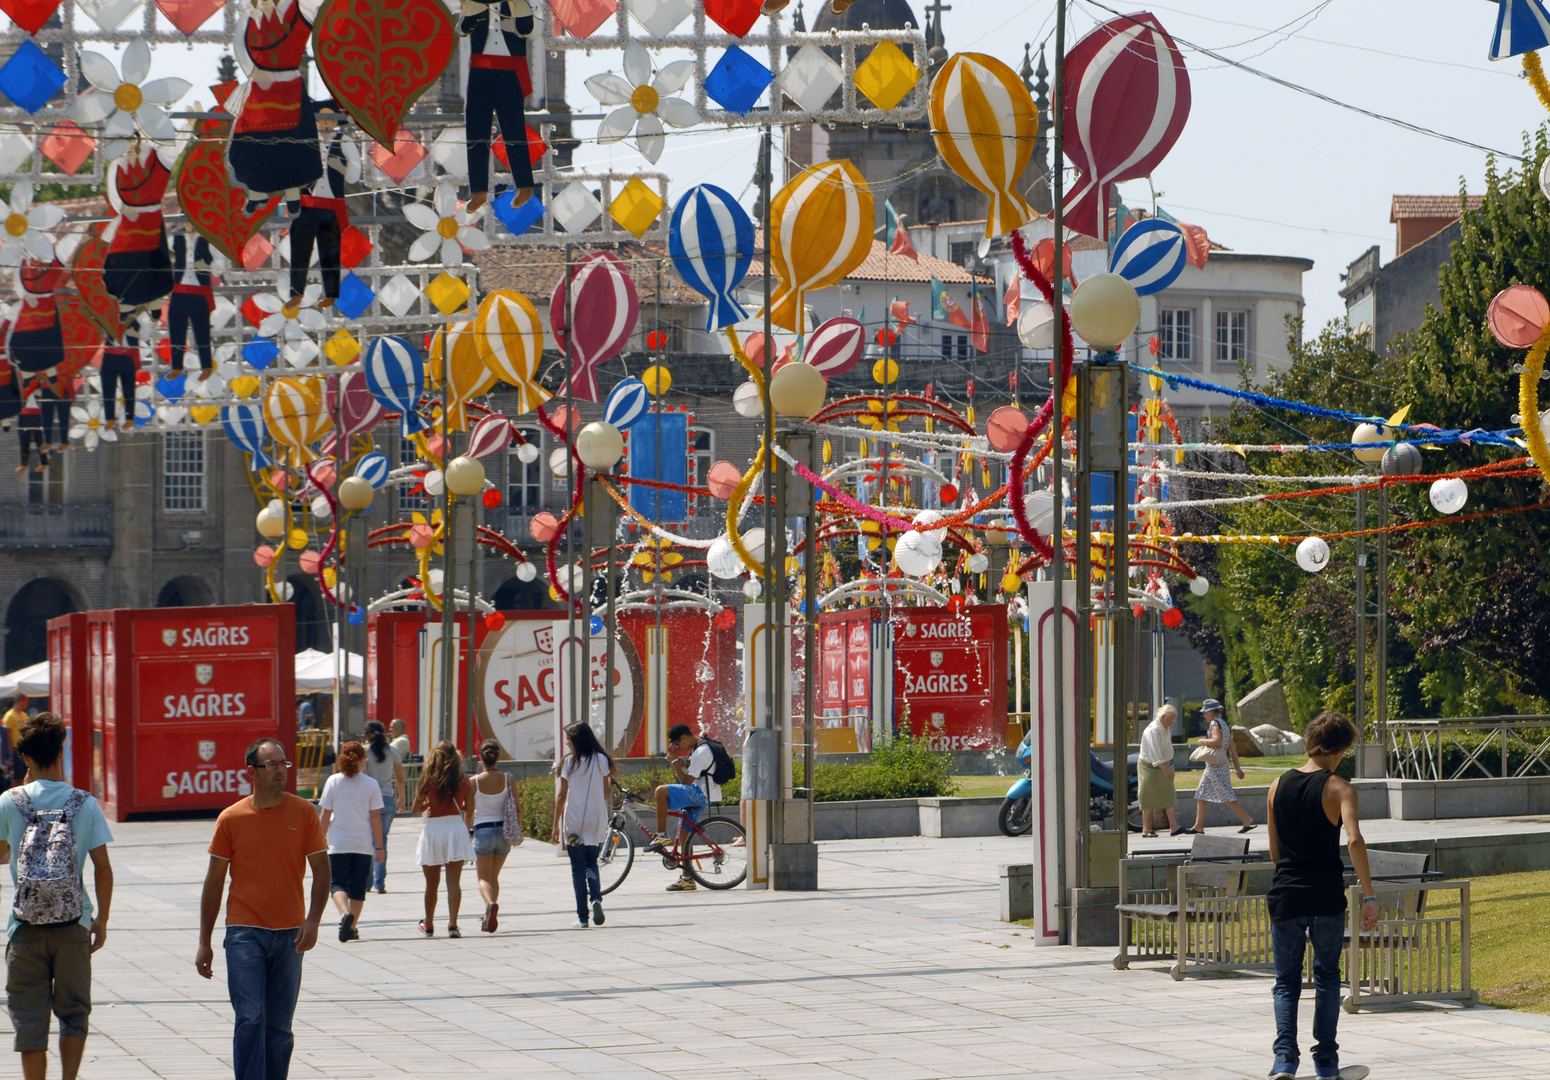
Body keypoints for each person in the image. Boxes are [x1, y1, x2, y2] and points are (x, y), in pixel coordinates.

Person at [195, 737, 329, 1080]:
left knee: (280, 1028)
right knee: (251, 1017)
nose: (280, 771)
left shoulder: (304, 812)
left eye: (283, 764)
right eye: (271, 765)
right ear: (251, 772)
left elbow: (322, 873)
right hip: (244, 933)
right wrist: (204, 941)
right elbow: (213, 883)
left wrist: (313, 921)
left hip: (290, 935)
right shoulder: (231, 819)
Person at [0, 713, 112, 1080]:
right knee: (74, 1012)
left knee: (30, 1019)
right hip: (73, 923)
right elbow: (103, 869)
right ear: (61, 751)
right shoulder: (85, 803)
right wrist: (101, 919)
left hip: (25, 927)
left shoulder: (9, 801)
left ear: (26, 757)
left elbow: (2, 853)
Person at [1266, 712, 1377, 1080]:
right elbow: (1355, 840)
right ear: (1341, 747)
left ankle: (1284, 1059)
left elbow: (1274, 853)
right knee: (1328, 977)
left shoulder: (1276, 786)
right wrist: (1370, 894)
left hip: (1286, 894)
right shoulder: (1341, 789)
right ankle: (1326, 1061)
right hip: (1326, 895)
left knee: (1286, 981)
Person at [318, 741, 383, 943]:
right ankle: (351, 927)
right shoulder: (371, 784)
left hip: (338, 844)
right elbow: (375, 818)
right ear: (363, 760)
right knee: (358, 888)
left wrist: (319, 841)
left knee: (336, 884)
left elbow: (326, 813)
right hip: (362, 845)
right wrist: (379, 847)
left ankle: (344, 913)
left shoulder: (333, 781)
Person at [553, 722, 616, 928]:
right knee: (591, 863)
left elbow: (562, 795)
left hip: (574, 821)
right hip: (596, 818)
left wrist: (555, 824)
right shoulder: (601, 760)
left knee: (577, 869)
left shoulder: (569, 763)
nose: (566, 742)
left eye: (569, 739)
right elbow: (607, 791)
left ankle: (582, 917)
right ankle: (596, 898)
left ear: (576, 741)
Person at [410, 740, 474, 937]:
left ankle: (428, 924)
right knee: (454, 882)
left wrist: (430, 803)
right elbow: (470, 809)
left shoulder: (429, 779)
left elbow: (415, 809)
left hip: (434, 829)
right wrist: (466, 830)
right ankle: (453, 924)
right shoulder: (465, 780)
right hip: (456, 827)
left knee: (432, 883)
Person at [647, 723, 720, 893]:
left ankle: (661, 836)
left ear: (684, 737)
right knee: (685, 835)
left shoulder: (701, 752)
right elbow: (696, 774)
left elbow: (685, 783)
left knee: (660, 792)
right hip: (703, 792)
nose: (680, 748)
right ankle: (688, 879)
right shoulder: (700, 747)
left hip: (700, 794)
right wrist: (683, 764)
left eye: (678, 745)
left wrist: (674, 763)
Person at [468, 740, 518, 933]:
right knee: (494, 877)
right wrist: (517, 829)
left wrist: (466, 832)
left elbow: (469, 811)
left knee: (482, 878)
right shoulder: (508, 778)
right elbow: (518, 809)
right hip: (503, 833)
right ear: (498, 757)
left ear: (481, 757)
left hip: (483, 830)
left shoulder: (474, 781)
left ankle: (490, 904)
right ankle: (489, 913)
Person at [1191, 698, 1255, 833]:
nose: (1204, 715)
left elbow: (1217, 741)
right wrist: (1237, 768)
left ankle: (1246, 819)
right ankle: (1198, 826)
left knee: (1225, 794)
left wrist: (1203, 741)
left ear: (1211, 712)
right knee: (1201, 793)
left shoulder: (1214, 723)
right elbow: (1232, 748)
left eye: (1205, 712)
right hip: (1219, 764)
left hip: (1215, 766)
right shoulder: (1223, 724)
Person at [362, 721, 404, 894]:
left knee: (370, 842)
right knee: (382, 841)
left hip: (371, 801)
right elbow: (400, 778)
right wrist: (401, 797)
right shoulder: (393, 751)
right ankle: (380, 883)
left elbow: (361, 778)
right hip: (388, 799)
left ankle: (368, 882)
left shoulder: (365, 751)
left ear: (367, 735)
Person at [1137, 703, 1186, 838]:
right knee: (1147, 795)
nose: (1172, 723)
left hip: (1165, 765)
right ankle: (1146, 828)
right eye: (1171, 719)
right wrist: (1166, 769)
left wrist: (1167, 767)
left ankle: (1174, 826)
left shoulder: (1164, 727)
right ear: (1163, 716)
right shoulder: (1153, 730)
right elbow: (1155, 753)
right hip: (1149, 766)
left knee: (1169, 794)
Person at [3, 693, 29, 781]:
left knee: (25, 772)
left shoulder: (24, 714)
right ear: (21, 701)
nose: (27, 705)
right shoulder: (10, 715)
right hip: (15, 747)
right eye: (25, 702)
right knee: (17, 774)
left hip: (24, 746)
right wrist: (10, 750)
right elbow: (7, 734)